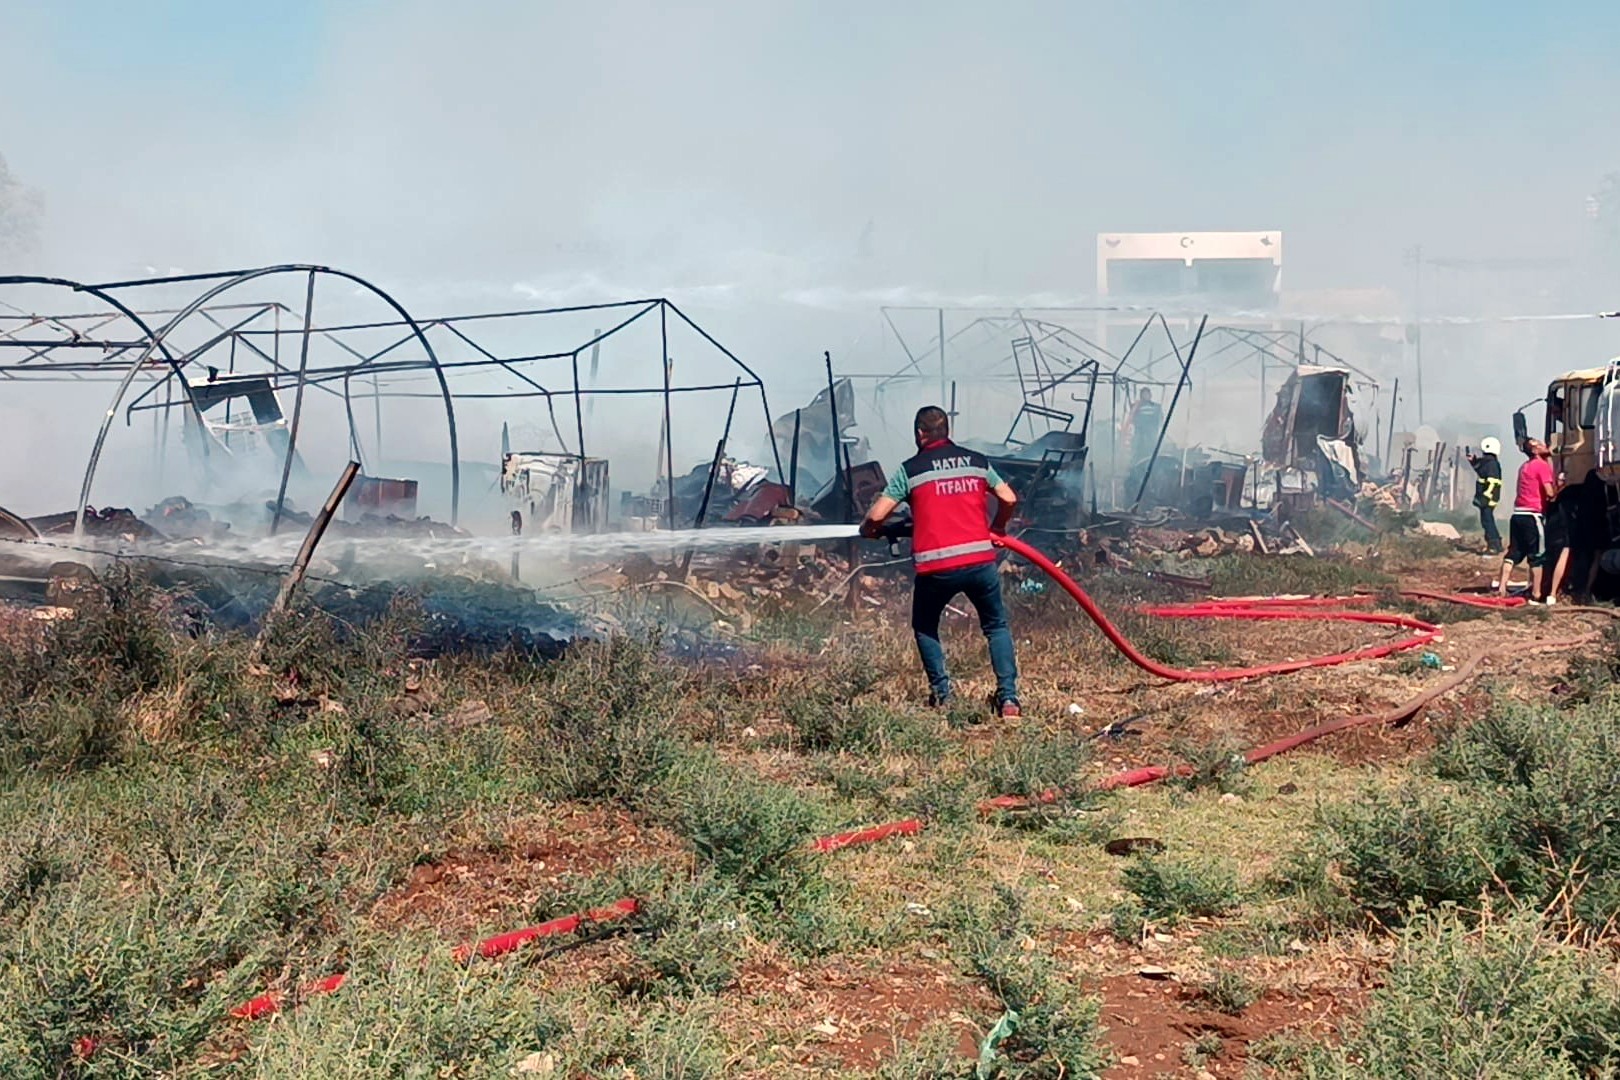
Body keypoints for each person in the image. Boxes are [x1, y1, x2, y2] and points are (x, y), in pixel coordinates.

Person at [861, 405, 1022, 718]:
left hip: (937, 570)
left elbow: (877, 516)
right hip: (979, 563)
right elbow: (1009, 498)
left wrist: (870, 531)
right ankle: (1010, 701)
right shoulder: (977, 462)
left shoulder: (911, 469)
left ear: (921, 434)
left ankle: (943, 696)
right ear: (947, 431)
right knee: (996, 626)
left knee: (925, 626)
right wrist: (998, 527)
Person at [1495, 438, 1559, 603]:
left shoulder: (1524, 467)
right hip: (1533, 516)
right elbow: (1550, 493)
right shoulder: (1541, 466)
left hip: (1517, 514)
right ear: (1536, 450)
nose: (1546, 445)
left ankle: (1502, 587)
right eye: (1541, 444)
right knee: (1537, 555)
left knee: (1513, 552)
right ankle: (1536, 594)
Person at [1466, 437, 1504, 555]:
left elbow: (1492, 482)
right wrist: (1473, 462)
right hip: (1488, 498)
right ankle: (1496, 544)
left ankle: (1493, 545)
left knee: (1487, 521)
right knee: (1487, 520)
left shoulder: (1491, 464)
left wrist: (1486, 497)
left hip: (1488, 498)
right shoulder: (1490, 462)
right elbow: (1480, 469)